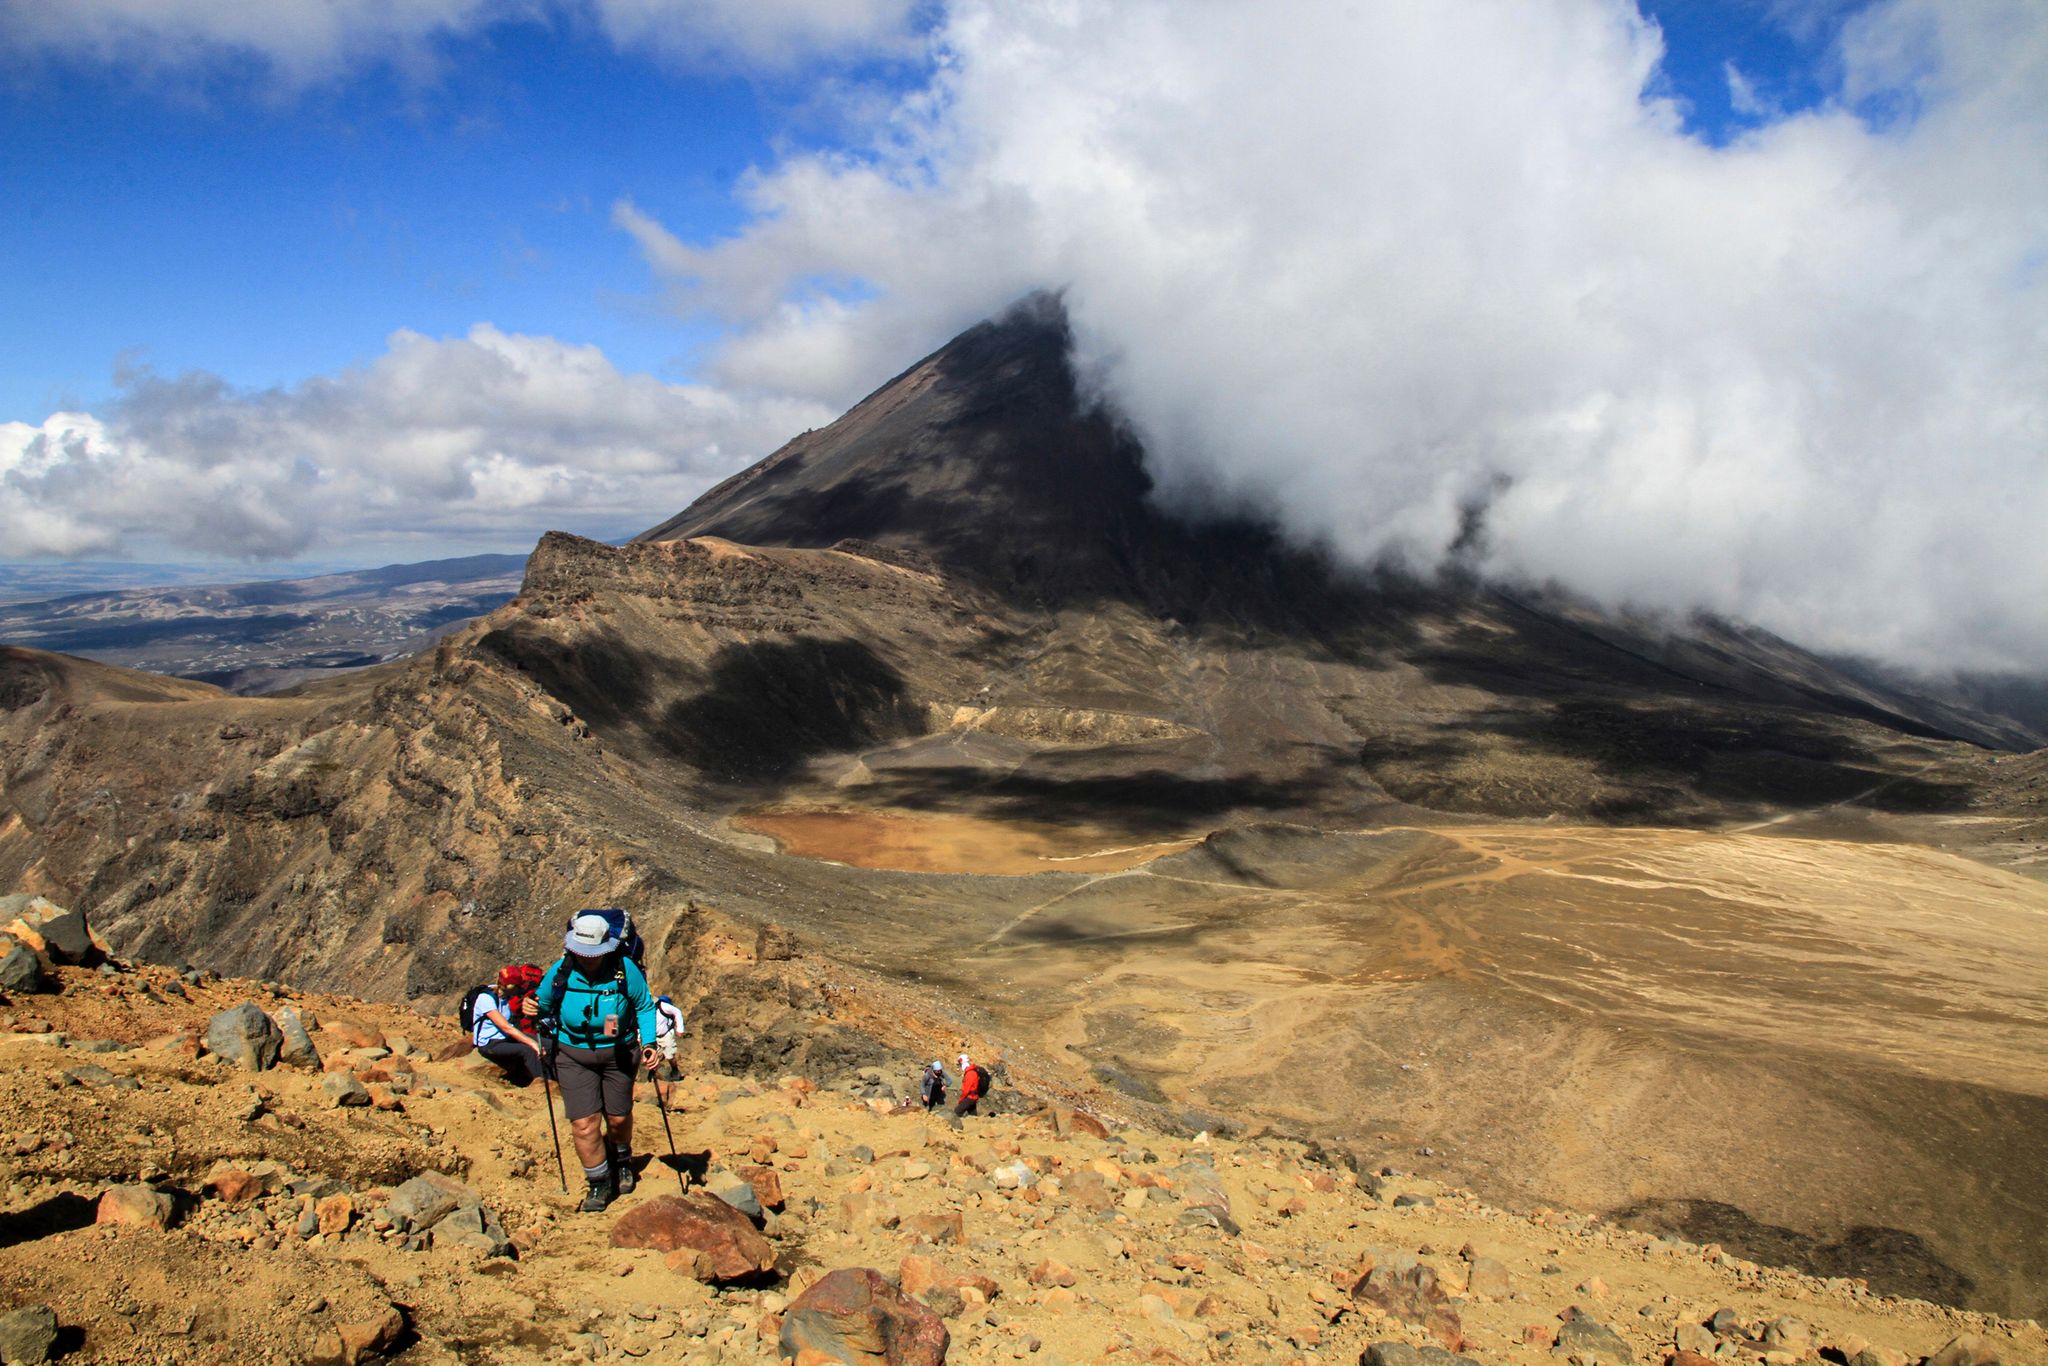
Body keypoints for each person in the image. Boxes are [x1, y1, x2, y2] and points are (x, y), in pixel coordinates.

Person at [538, 912, 659, 1212]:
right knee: (584, 1124)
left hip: (618, 1051)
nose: (586, 958)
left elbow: (644, 1006)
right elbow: (542, 1004)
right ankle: (599, 1182)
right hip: (572, 1054)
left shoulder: (624, 969)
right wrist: (535, 1018)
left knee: (617, 1118)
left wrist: (650, 1043)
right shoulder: (561, 970)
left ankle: (621, 1159)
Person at [472, 964, 547, 1086]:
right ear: (508, 986)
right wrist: (532, 1043)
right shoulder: (486, 998)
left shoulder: (505, 997)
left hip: (505, 1038)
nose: (520, 988)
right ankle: (542, 1083)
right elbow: (505, 1027)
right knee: (528, 1050)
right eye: (517, 985)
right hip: (490, 1043)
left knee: (546, 1044)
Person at [651, 993, 686, 1106]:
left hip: (666, 1034)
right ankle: (655, 1078)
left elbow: (677, 1012)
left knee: (669, 1055)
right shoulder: (643, 1010)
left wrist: (680, 1029)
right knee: (653, 1057)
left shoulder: (663, 1006)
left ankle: (675, 1070)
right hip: (653, 1036)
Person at [953, 1052, 985, 1117]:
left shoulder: (970, 1073)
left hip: (970, 1098)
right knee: (973, 1116)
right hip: (973, 1097)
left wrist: (961, 1100)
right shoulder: (972, 1071)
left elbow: (966, 1090)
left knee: (956, 1113)